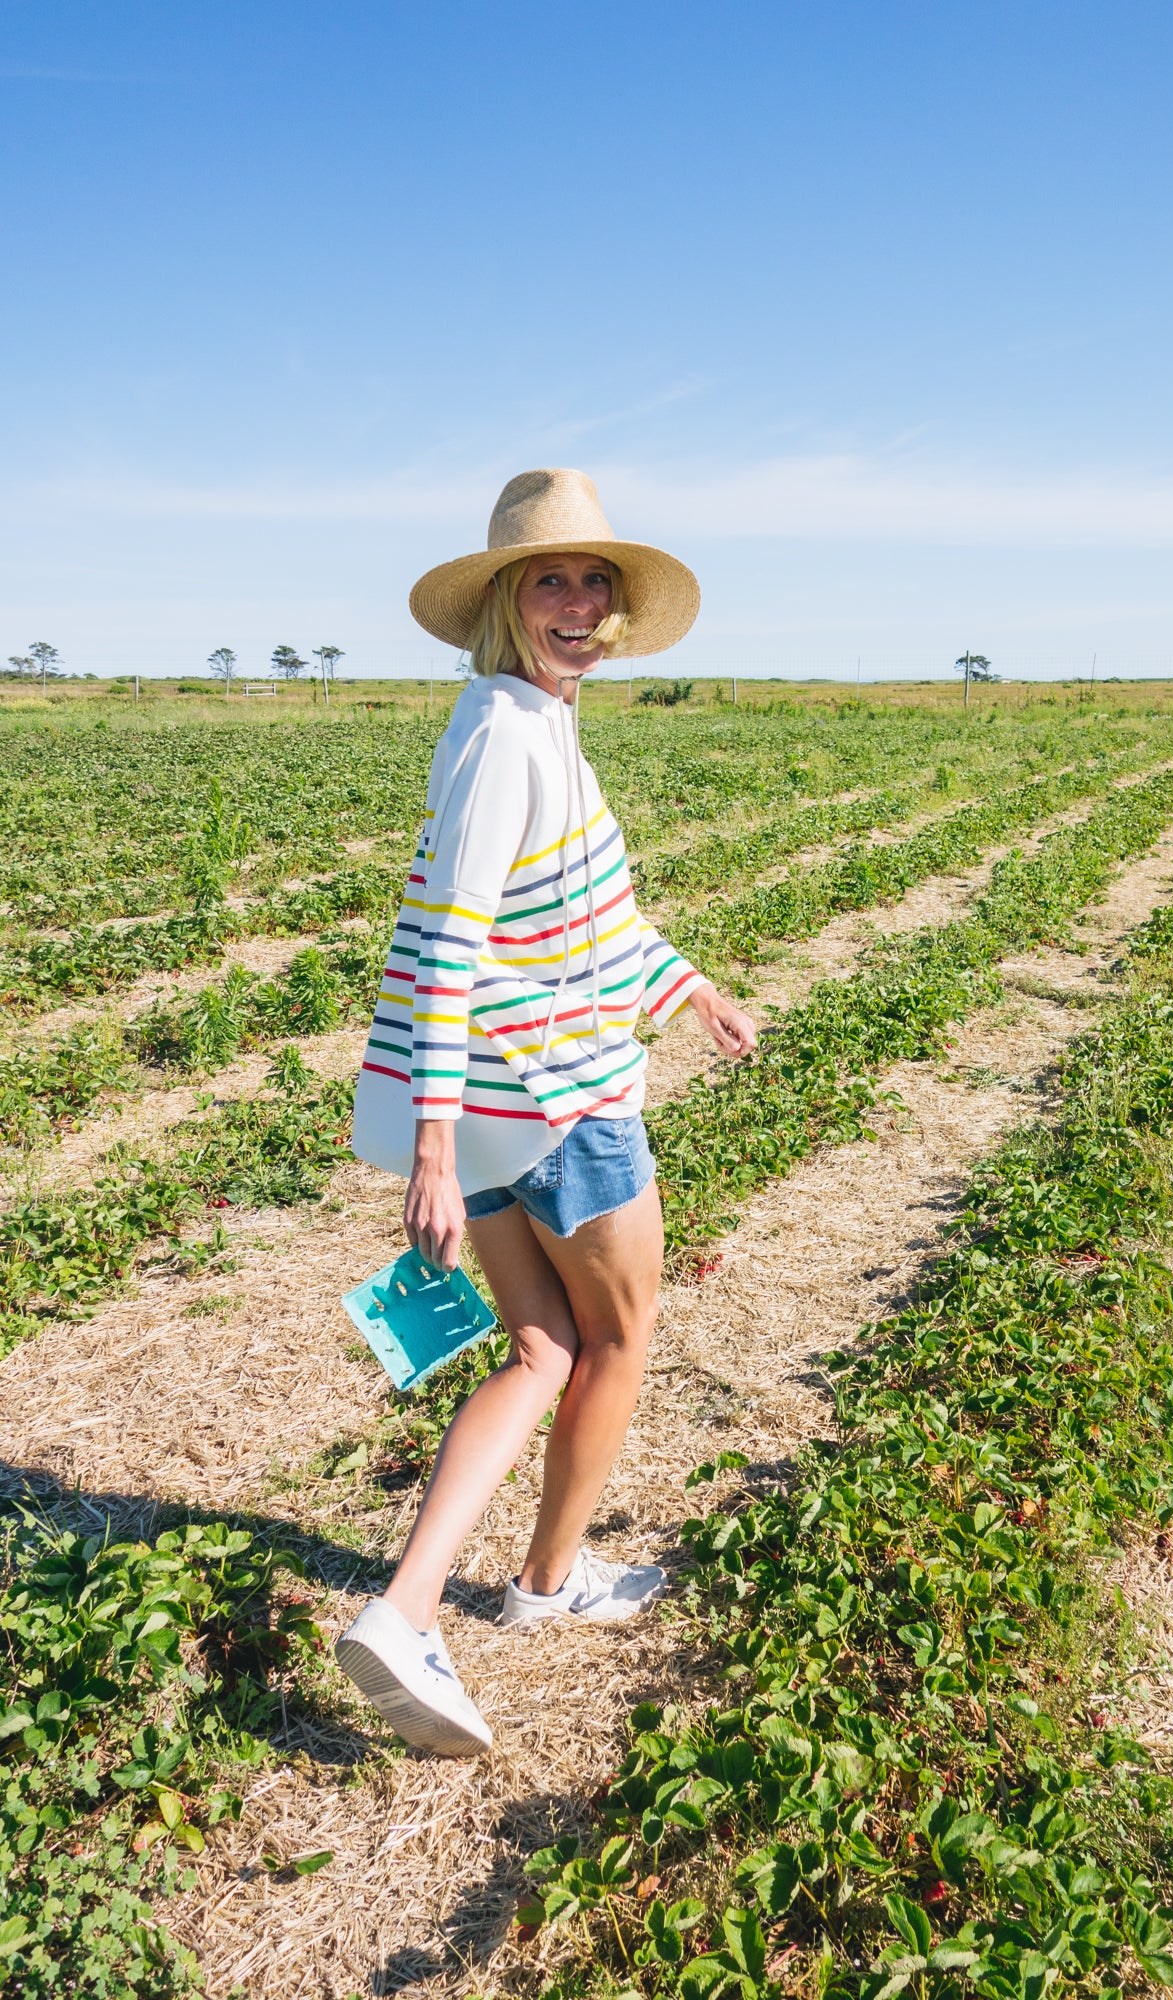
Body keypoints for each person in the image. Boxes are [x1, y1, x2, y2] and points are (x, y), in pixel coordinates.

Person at [335, 469, 758, 1755]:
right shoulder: (510, 730)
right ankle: (542, 1587)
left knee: (543, 1350)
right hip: (559, 1105)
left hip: (498, 1111)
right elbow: (455, 938)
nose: (578, 604)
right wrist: (428, 1143)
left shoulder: (528, 720)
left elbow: (577, 916)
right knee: (620, 1340)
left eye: (595, 583)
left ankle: (409, 1606)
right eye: (549, 580)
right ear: (505, 601)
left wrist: (686, 988)